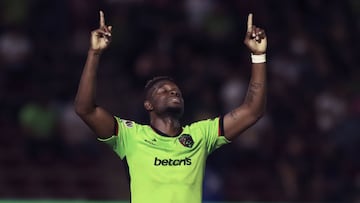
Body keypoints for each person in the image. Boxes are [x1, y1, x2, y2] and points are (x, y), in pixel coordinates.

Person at [75, 10, 267, 203]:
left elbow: (252, 111)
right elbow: (85, 109)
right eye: (162, 90)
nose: (173, 92)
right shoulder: (130, 136)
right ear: (148, 105)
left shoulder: (200, 134)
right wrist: (94, 53)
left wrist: (258, 56)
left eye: (176, 91)